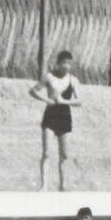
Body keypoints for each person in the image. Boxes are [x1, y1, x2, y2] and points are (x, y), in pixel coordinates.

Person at [29, 49, 81, 191]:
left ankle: (62, 185)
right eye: (64, 63)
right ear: (58, 63)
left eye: (69, 63)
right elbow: (33, 91)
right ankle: (44, 186)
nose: (66, 66)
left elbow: (79, 101)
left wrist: (64, 101)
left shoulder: (73, 80)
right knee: (46, 152)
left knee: (64, 154)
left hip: (64, 116)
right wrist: (47, 100)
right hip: (50, 115)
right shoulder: (49, 77)